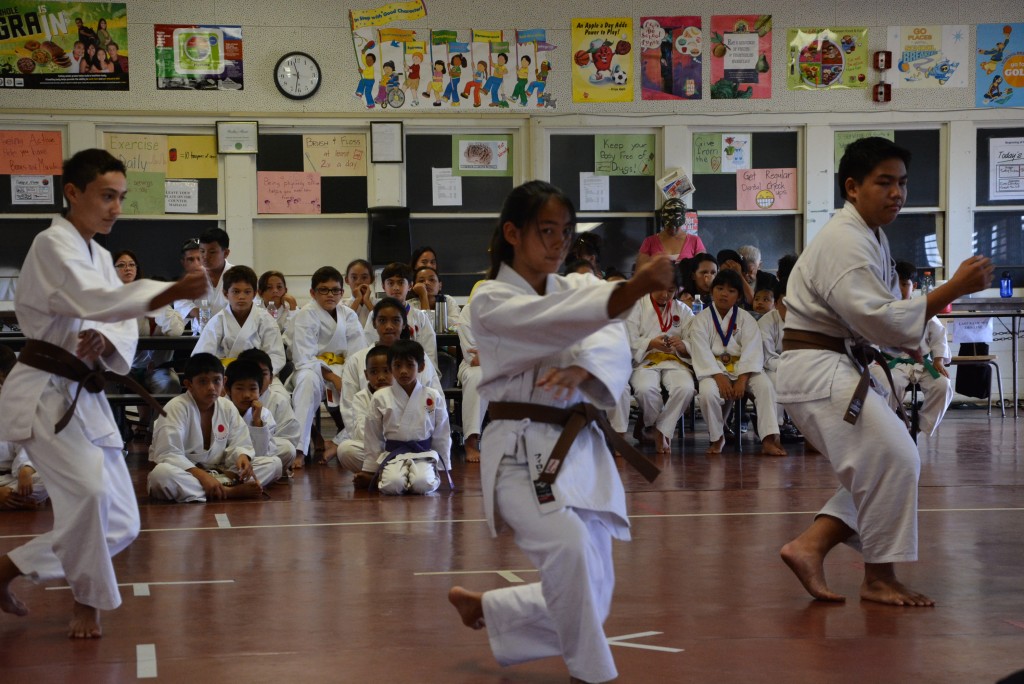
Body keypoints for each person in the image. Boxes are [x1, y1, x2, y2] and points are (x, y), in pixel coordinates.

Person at [447, 180, 675, 683]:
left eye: (566, 233)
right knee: (569, 547)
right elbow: (549, 321)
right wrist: (635, 287)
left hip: (580, 451)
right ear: (512, 233)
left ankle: (496, 608)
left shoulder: (578, 286)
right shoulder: (488, 299)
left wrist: (586, 370)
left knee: (595, 586)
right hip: (520, 454)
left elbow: (610, 335)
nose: (558, 243)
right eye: (545, 231)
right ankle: (594, 674)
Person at [778, 136, 993, 607]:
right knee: (896, 458)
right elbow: (874, 316)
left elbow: (875, 315)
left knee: (883, 463)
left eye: (902, 182)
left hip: (833, 363)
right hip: (816, 369)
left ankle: (809, 547)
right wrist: (950, 288)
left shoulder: (870, 234)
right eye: (884, 182)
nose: (897, 192)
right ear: (852, 187)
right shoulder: (844, 240)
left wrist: (908, 343)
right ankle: (877, 577)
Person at [0, 148, 206, 638]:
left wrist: (105, 338)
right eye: (106, 196)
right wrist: (171, 291)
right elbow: (92, 299)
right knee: (90, 496)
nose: (116, 208)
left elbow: (110, 315)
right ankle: (87, 602)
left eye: (120, 197)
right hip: (45, 394)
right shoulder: (53, 245)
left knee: (123, 522)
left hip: (84, 396)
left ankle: (8, 569)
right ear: (73, 193)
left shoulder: (99, 255)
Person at [148, 353, 278, 502]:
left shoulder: (226, 407)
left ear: (224, 381)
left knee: (273, 464)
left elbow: (240, 441)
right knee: (160, 475)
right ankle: (229, 492)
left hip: (222, 471)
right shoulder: (176, 407)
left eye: (216, 381)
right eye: (203, 382)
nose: (211, 388)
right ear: (189, 384)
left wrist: (242, 456)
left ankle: (212, 488)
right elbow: (168, 454)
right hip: (189, 472)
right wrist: (202, 476)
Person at [688, 269, 787, 456]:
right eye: (719, 288)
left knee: (766, 387)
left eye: (731, 291)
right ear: (712, 292)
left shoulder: (746, 319)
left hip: (744, 369)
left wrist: (742, 379)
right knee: (708, 393)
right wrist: (718, 376)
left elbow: (753, 351)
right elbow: (700, 351)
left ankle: (769, 439)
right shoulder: (701, 320)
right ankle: (717, 438)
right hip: (714, 369)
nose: (724, 293)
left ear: (739, 296)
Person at [338, 297, 444, 465]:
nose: (389, 326)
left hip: (415, 442)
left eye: (395, 320)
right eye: (382, 320)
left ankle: (388, 471)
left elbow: (436, 399)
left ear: (404, 324)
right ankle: (394, 470)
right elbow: (349, 407)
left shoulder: (418, 357)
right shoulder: (357, 359)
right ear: (374, 323)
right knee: (346, 450)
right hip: (374, 443)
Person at [290, 266, 366, 465]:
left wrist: (346, 378)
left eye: (335, 290)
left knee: (363, 386)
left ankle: (342, 442)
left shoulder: (349, 315)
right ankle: (298, 450)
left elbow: (357, 353)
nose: (330, 295)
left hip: (344, 369)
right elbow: (304, 357)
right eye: (324, 290)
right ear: (313, 293)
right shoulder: (305, 315)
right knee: (306, 382)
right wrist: (333, 378)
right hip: (313, 369)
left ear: (343, 292)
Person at [871, 261, 954, 437]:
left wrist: (939, 359)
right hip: (890, 364)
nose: (900, 290)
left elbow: (939, 335)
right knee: (885, 383)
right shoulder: (881, 310)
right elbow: (870, 338)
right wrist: (875, 360)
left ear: (914, 286)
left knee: (943, 385)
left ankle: (918, 425)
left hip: (922, 364)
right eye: (895, 284)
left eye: (904, 284)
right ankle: (889, 425)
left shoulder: (923, 309)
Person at [363, 340, 452, 495]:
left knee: (422, 484)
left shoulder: (432, 395)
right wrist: (371, 469)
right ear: (390, 367)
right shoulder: (380, 397)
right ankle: (402, 480)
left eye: (410, 365)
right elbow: (373, 435)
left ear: (421, 367)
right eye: (397, 366)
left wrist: (443, 466)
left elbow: (442, 433)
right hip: (394, 454)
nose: (403, 371)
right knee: (393, 485)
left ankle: (417, 479)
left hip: (423, 454)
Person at [626, 285, 695, 453]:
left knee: (685, 388)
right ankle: (661, 428)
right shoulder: (636, 306)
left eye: (671, 291)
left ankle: (660, 429)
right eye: (660, 289)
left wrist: (683, 345)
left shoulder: (684, 309)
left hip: (674, 360)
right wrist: (649, 343)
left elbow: (695, 339)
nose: (665, 295)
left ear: (678, 290)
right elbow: (628, 338)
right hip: (646, 360)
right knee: (644, 389)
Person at [193, 265, 286, 375]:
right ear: (226, 293)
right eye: (236, 291)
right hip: (225, 377)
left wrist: (264, 374)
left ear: (254, 294)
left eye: (247, 292)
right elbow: (202, 357)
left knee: (279, 393)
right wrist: (219, 377)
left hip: (260, 376)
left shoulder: (266, 320)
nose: (241, 297)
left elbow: (276, 355)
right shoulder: (217, 321)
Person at [330, 345, 392, 483]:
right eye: (374, 372)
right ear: (366, 375)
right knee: (345, 450)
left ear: (394, 370)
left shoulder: (400, 394)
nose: (381, 377)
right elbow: (360, 433)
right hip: (374, 451)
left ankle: (378, 478)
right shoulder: (360, 398)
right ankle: (387, 478)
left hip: (398, 450)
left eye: (386, 371)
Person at [363, 262, 437, 370]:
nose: (396, 288)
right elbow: (369, 346)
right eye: (390, 283)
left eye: (401, 282)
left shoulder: (420, 317)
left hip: (414, 371)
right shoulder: (374, 315)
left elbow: (429, 352)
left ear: (410, 285)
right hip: (382, 369)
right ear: (383, 286)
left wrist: (424, 372)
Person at [224, 359, 295, 473]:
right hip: (227, 462)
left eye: (253, 389)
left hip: (253, 460)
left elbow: (262, 454)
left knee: (281, 457)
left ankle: (234, 480)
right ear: (228, 389)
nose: (247, 395)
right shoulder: (222, 409)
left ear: (260, 391)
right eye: (240, 388)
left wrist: (257, 422)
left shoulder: (264, 414)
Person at [237, 348, 301, 472]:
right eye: (251, 373)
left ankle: (247, 471)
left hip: (266, 452)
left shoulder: (278, 400)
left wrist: (261, 436)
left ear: (272, 378)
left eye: (263, 374)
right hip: (236, 451)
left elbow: (288, 438)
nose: (258, 379)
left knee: (287, 448)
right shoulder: (229, 399)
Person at [0, 346, 48, 510]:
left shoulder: (14, 404)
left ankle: (12, 499)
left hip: (9, 479)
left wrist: (26, 470)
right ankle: (15, 500)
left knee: (51, 476)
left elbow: (25, 443)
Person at [456, 284, 487, 463]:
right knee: (478, 375)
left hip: (508, 366)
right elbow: (474, 359)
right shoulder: (470, 309)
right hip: (474, 366)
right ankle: (471, 443)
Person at [636, 197, 707, 269]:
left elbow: (703, 269)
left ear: (683, 222)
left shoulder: (695, 241)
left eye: (676, 225)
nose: (673, 229)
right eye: (669, 226)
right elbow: (640, 272)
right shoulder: (649, 242)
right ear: (664, 222)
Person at [199, 228, 233, 315]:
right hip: (200, 327)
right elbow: (181, 302)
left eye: (212, 252)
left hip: (230, 327)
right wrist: (197, 312)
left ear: (225, 253)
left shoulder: (239, 275)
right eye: (202, 251)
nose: (205, 257)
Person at [173, 238, 205, 327]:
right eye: (191, 259)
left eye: (200, 259)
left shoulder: (223, 276)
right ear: (183, 262)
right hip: (199, 335)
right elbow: (181, 305)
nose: (196, 264)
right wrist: (197, 312)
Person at [257, 269, 297, 338]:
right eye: (269, 287)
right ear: (260, 293)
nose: (275, 291)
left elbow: (295, 335)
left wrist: (293, 307)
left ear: (286, 290)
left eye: (279, 287)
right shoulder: (255, 310)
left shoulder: (291, 308)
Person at [342, 258, 376, 327]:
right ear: (347, 280)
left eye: (364, 277)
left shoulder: (378, 303)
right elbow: (343, 325)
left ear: (371, 280)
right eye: (354, 278)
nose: (359, 282)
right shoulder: (342, 305)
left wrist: (367, 301)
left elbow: (380, 321)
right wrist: (357, 299)